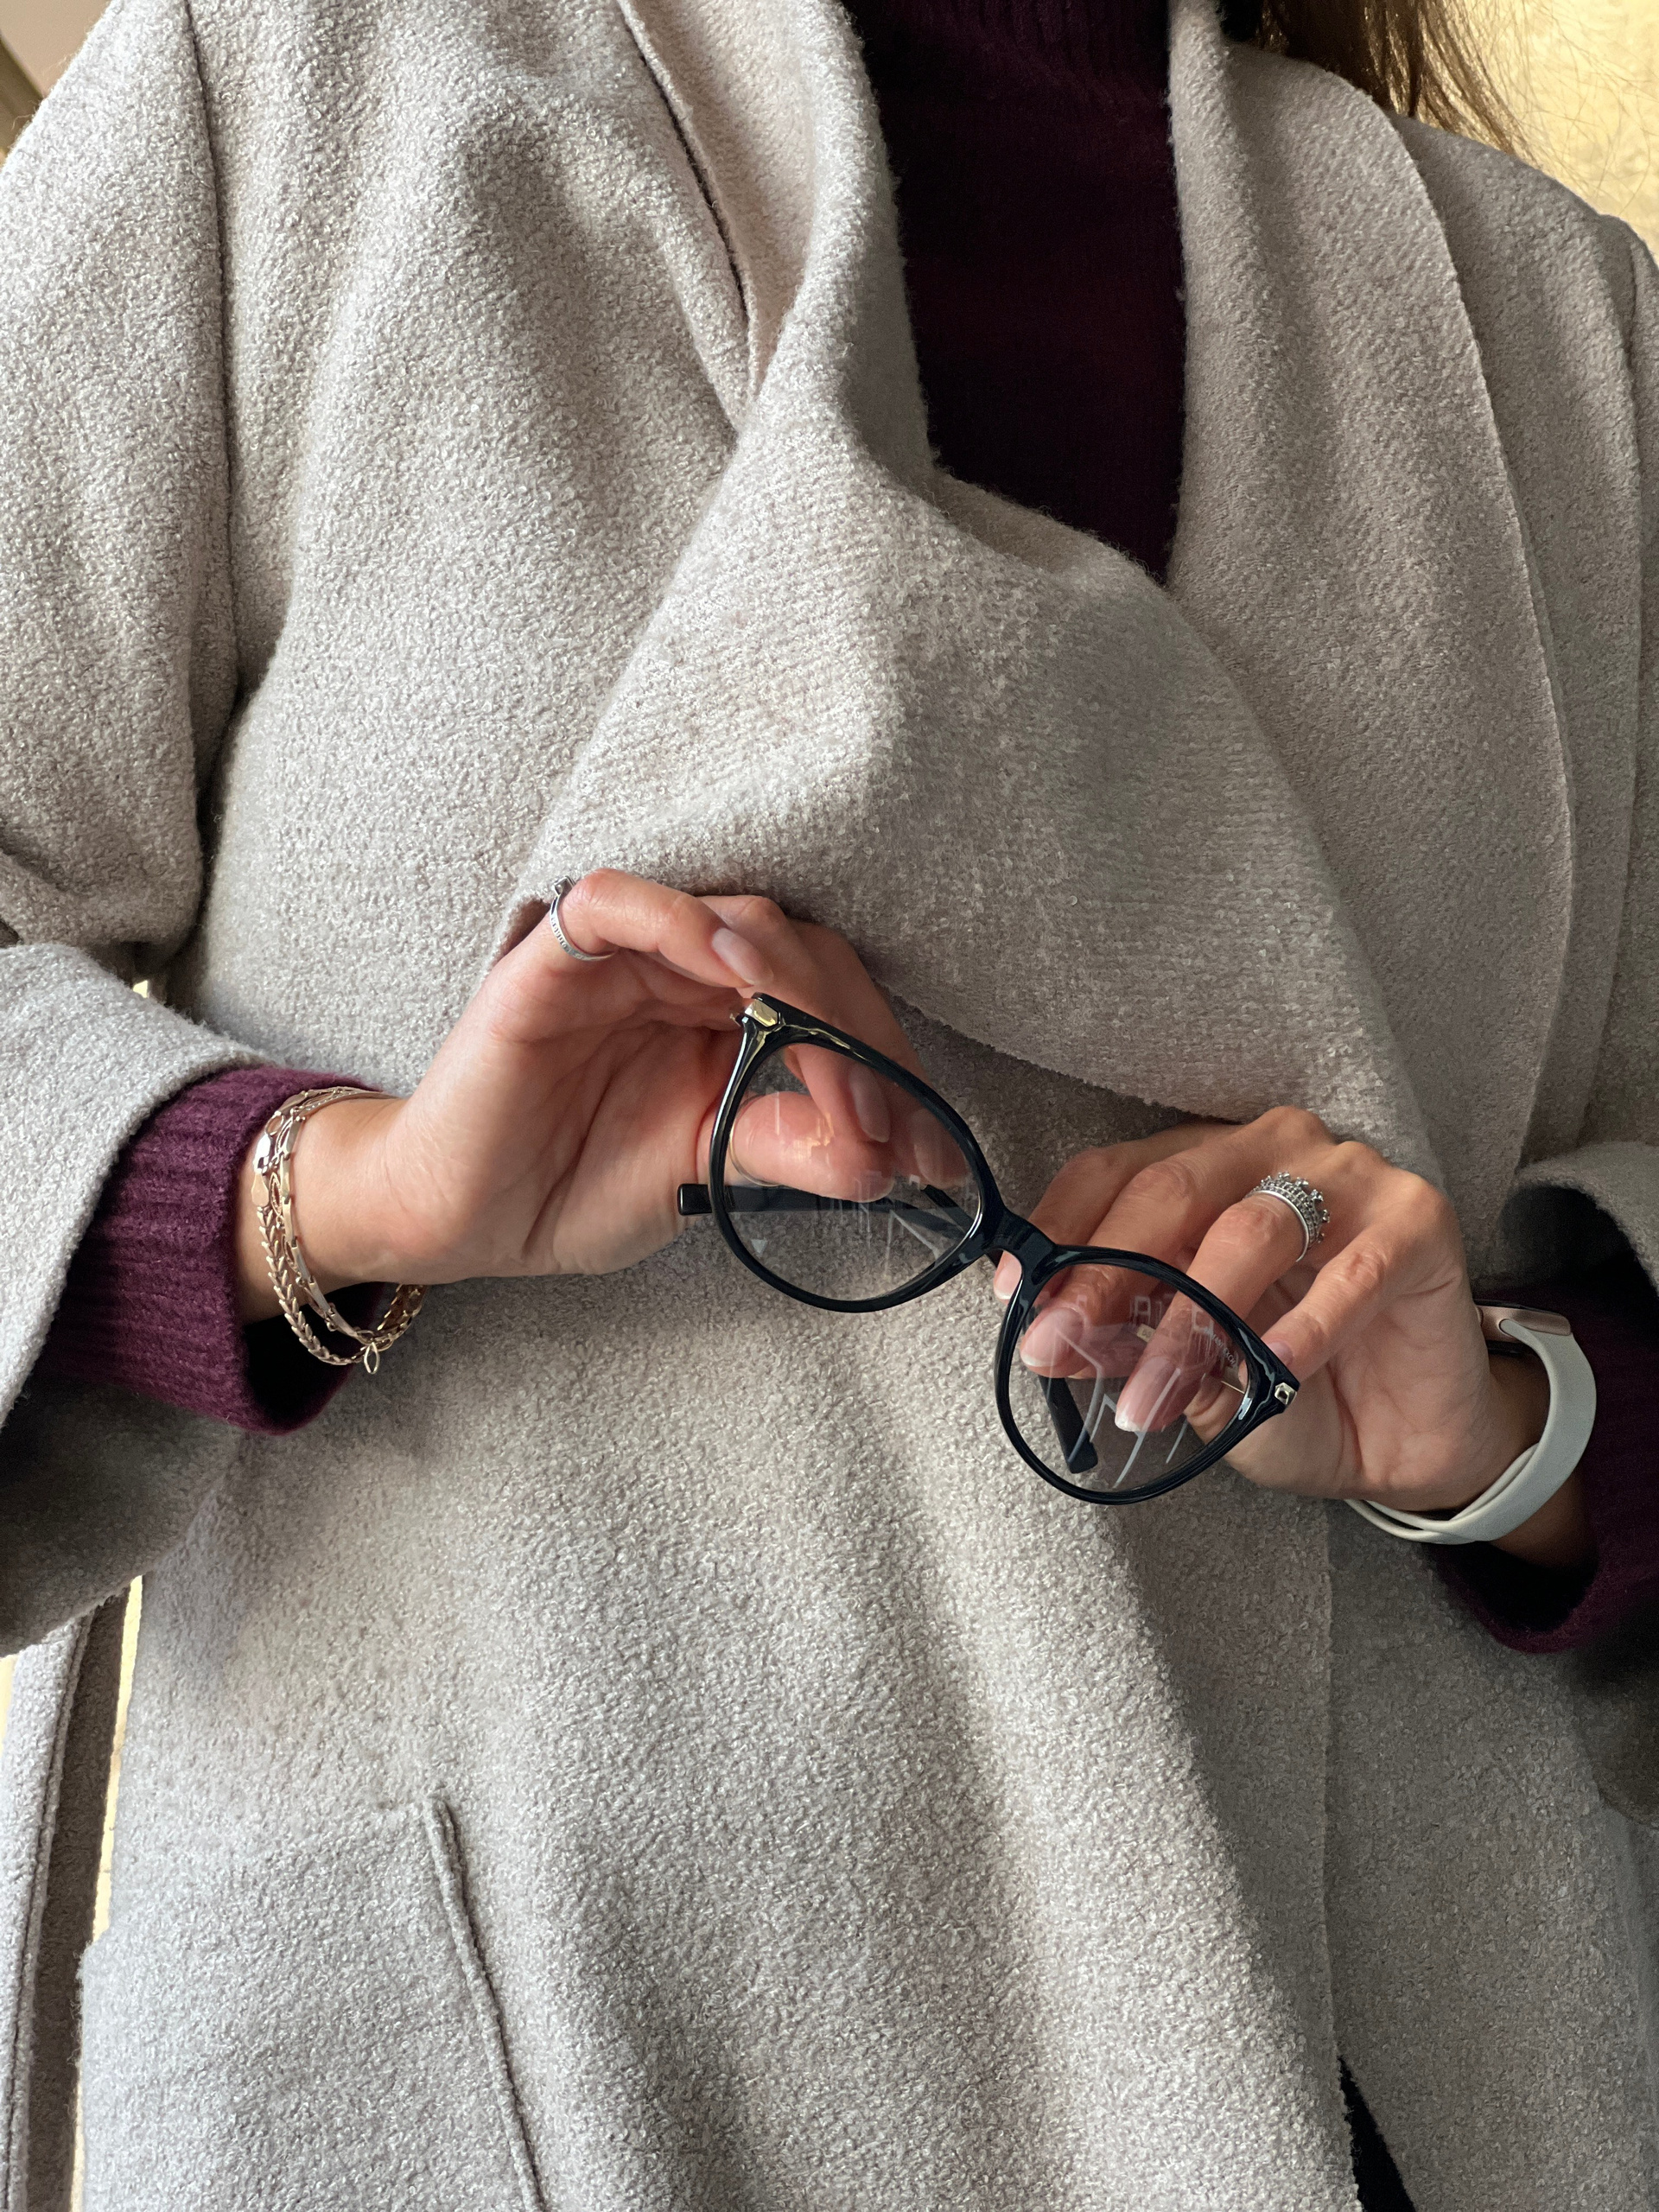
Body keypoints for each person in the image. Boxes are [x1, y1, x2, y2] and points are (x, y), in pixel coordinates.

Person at [2, 0, 1656, 2203]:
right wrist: (324, 1197)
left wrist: (1521, 1425)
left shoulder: (1558, 337)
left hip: (1380, 2072)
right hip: (542, 2069)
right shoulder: (295, 88)